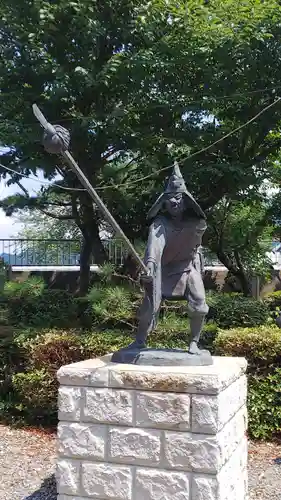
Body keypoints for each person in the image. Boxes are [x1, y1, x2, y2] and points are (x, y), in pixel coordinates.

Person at [132, 162, 209, 355]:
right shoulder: (159, 224)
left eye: (179, 198)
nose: (175, 203)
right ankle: (139, 341)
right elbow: (155, 246)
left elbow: (197, 244)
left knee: (200, 305)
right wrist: (149, 265)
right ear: (164, 203)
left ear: (186, 202)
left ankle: (194, 342)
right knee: (149, 307)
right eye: (170, 199)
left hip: (187, 270)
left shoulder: (196, 225)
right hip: (162, 271)